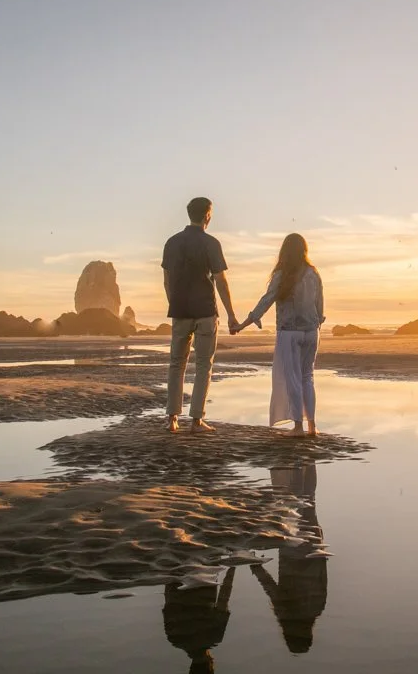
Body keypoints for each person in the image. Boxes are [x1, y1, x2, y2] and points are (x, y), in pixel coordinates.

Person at [162, 197, 243, 433]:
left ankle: (172, 419)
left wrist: (174, 302)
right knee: (203, 365)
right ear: (207, 215)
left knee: (176, 363)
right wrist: (231, 314)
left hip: (180, 310)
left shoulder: (172, 242)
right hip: (206, 310)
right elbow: (220, 280)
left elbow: (167, 280)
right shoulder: (211, 243)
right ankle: (196, 420)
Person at [231, 233, 324, 437]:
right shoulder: (313, 273)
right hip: (311, 332)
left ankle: (298, 427)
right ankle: (312, 426)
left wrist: (244, 324)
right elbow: (320, 307)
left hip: (289, 332)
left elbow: (266, 301)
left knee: (293, 378)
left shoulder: (283, 274)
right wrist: (316, 324)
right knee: (308, 377)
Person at [251, 464, 328, 653]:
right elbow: (270, 588)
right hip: (292, 553)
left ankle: (308, 462)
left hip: (314, 548)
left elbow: (323, 574)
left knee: (309, 502)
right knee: (291, 506)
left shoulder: (318, 608)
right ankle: (290, 464)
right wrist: (255, 567)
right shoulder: (286, 614)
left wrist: (320, 541)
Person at [162, 568, 235, 673]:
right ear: (191, 669)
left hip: (205, 575)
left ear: (211, 666)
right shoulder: (174, 638)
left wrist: (233, 566)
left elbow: (224, 597)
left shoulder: (215, 636)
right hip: (177, 577)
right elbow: (168, 598)